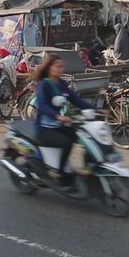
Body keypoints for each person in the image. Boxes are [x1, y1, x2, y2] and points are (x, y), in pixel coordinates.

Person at [34, 54, 94, 184]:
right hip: (45, 129)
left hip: (59, 125)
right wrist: (58, 116)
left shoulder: (62, 84)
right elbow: (43, 105)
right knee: (66, 142)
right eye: (58, 66)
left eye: (62, 66)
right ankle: (59, 173)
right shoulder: (44, 85)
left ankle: (89, 169)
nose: (61, 69)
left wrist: (95, 109)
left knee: (85, 137)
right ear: (50, 68)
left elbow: (76, 100)